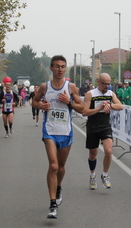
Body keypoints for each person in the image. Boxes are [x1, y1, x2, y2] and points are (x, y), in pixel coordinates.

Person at [31, 55, 83, 219]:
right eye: (57, 66)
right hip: (50, 131)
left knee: (61, 167)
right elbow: (34, 102)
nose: (60, 69)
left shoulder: (71, 87)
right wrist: (41, 105)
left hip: (66, 132)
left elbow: (81, 108)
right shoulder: (45, 87)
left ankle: (58, 187)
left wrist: (69, 102)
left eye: (63, 66)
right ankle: (52, 204)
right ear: (51, 68)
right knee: (53, 166)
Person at [82, 73, 123, 190]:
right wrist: (99, 108)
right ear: (99, 82)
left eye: (109, 84)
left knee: (109, 151)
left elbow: (120, 106)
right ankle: (92, 175)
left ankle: (105, 175)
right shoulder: (90, 94)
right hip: (93, 127)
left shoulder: (111, 94)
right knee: (93, 154)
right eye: (105, 84)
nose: (107, 86)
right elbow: (84, 112)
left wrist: (110, 105)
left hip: (105, 126)